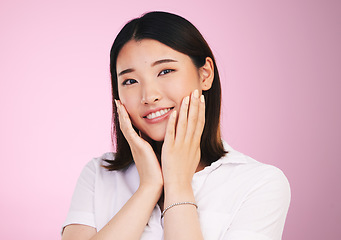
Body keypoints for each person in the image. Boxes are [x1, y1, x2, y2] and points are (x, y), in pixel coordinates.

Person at [61, 11, 290, 240]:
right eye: (130, 81)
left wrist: (178, 185)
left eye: (165, 71)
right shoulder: (98, 174)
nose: (149, 96)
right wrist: (149, 186)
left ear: (205, 74)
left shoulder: (260, 183)